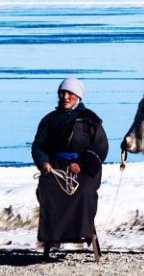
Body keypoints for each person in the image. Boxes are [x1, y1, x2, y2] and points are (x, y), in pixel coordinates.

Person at [31, 78, 109, 257]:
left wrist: (81, 165)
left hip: (84, 170)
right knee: (48, 190)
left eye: (70, 94)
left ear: (78, 97)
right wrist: (44, 163)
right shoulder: (49, 120)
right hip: (56, 168)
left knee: (84, 191)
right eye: (62, 93)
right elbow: (39, 146)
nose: (65, 97)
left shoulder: (90, 119)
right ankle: (54, 237)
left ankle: (81, 232)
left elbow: (100, 146)